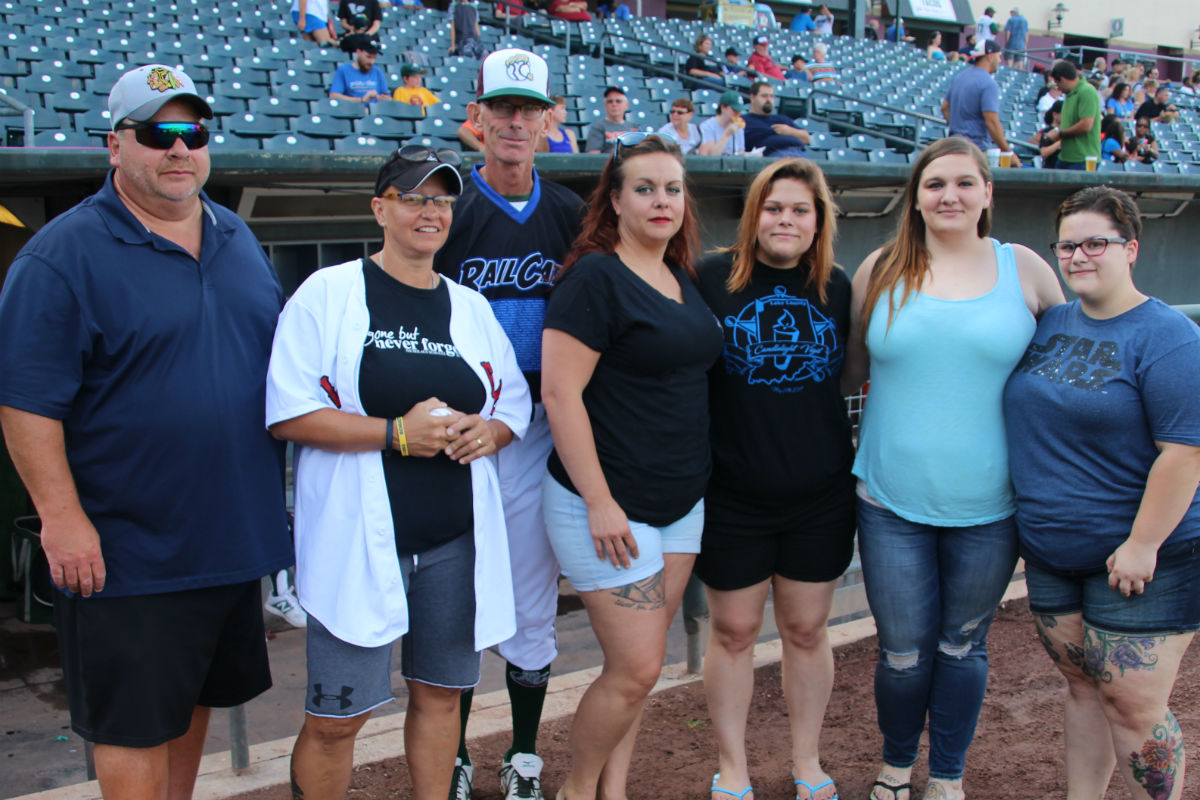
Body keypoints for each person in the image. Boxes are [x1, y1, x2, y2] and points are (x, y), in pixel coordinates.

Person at [0, 63, 292, 799]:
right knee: (132, 722)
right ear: (114, 145)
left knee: (192, 698)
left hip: (227, 538)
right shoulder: (61, 255)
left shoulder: (236, 237)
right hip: (125, 546)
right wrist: (63, 520)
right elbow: (26, 403)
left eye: (192, 131)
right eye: (157, 132)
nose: (178, 149)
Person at [268, 146, 531, 800]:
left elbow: (512, 408)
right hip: (357, 542)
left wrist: (486, 431)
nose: (430, 211)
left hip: (454, 543)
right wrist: (395, 434)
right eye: (414, 196)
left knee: (442, 698)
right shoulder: (328, 293)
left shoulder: (469, 307)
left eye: (442, 199)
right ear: (380, 207)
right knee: (338, 717)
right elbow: (288, 412)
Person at [843, 137, 1064, 800]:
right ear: (915, 196)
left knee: (962, 647)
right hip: (889, 500)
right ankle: (895, 765)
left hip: (993, 505)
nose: (950, 196)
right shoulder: (880, 268)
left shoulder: (1023, 268)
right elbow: (848, 374)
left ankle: (946, 776)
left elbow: (1073, 370)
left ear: (987, 193)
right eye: (935, 184)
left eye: (965, 183)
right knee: (903, 655)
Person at [541, 131, 723, 800]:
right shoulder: (595, 275)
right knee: (637, 666)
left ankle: (613, 789)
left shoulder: (679, 275)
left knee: (643, 667)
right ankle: (578, 790)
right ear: (614, 200)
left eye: (672, 188)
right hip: (610, 506)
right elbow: (560, 395)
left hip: (680, 502)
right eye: (644, 188)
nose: (661, 200)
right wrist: (599, 500)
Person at [1005, 185, 1200, 800]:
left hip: (1145, 558)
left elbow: (1184, 451)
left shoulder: (1167, 336)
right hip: (1055, 551)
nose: (1079, 255)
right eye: (1067, 245)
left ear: (1131, 249)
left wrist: (1143, 543)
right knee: (1084, 688)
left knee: (1133, 703)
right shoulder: (1052, 323)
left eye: (1096, 242)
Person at [434, 48, 586, 800]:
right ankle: (453, 752)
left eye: (529, 108)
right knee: (455, 599)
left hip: (539, 432)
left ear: (550, 120)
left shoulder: (571, 214)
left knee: (530, 598)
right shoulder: (449, 210)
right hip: (459, 433)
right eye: (502, 108)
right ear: (479, 119)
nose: (515, 121)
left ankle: (522, 752)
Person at [695, 158, 854, 800]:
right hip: (733, 491)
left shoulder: (837, 287)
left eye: (800, 210)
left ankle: (806, 762)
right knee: (732, 632)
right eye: (773, 207)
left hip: (818, 492)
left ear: (819, 222)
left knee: (807, 632)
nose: (785, 219)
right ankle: (732, 767)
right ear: (753, 214)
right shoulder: (708, 277)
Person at [942, 40, 1019, 163]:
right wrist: (1008, 152)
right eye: (999, 56)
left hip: (954, 146)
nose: (1000, 61)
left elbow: (945, 107)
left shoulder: (960, 77)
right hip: (975, 150)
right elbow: (991, 121)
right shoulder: (988, 83)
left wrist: (959, 129)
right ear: (990, 56)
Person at [1044, 59, 1101, 170]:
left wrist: (1060, 134)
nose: (1057, 87)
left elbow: (1086, 125)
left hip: (1083, 159)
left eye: (1057, 83)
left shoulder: (1087, 91)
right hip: (1066, 157)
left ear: (1063, 80)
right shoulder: (1070, 94)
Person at [743, 81, 809, 157]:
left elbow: (807, 138)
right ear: (752, 98)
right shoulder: (744, 121)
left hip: (799, 153)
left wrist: (789, 131)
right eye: (764, 96)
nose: (769, 100)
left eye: (771, 96)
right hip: (772, 156)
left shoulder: (782, 119)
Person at [585, 86, 640, 154]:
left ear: (626, 105)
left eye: (618, 101)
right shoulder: (598, 127)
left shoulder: (634, 128)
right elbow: (593, 156)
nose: (614, 104)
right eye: (610, 101)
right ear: (605, 105)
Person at [699, 91, 748, 156]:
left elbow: (740, 153)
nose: (738, 114)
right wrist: (727, 134)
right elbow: (711, 156)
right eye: (734, 110)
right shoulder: (707, 126)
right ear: (723, 107)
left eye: (739, 111)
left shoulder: (738, 127)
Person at [1028, 99, 1062, 168]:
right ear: (1055, 115)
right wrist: (1060, 142)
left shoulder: (1068, 131)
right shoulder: (1047, 132)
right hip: (1051, 169)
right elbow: (1044, 152)